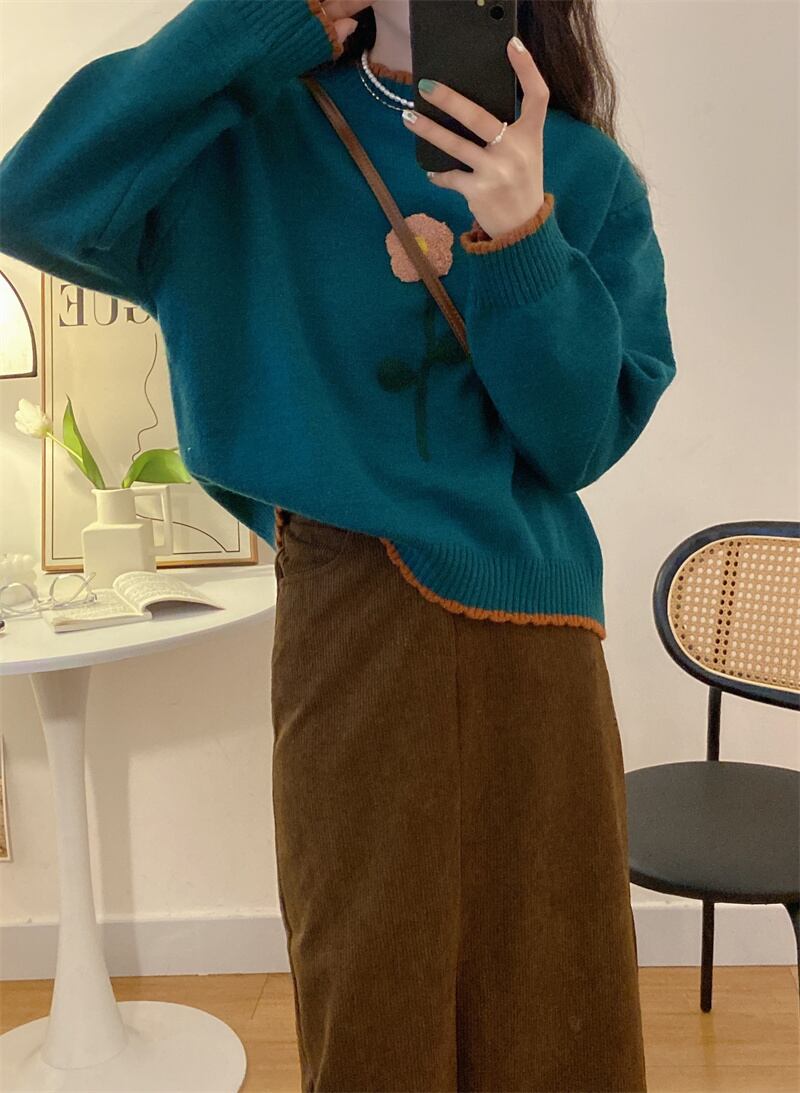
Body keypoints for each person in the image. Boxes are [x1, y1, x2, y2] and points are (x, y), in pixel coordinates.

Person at [0, 1, 677, 1088]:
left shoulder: (582, 174)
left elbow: (578, 440)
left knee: (559, 1003)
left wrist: (522, 236)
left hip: (539, 629)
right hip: (348, 612)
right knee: (370, 998)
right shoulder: (246, 137)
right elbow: (33, 199)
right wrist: (266, 22)